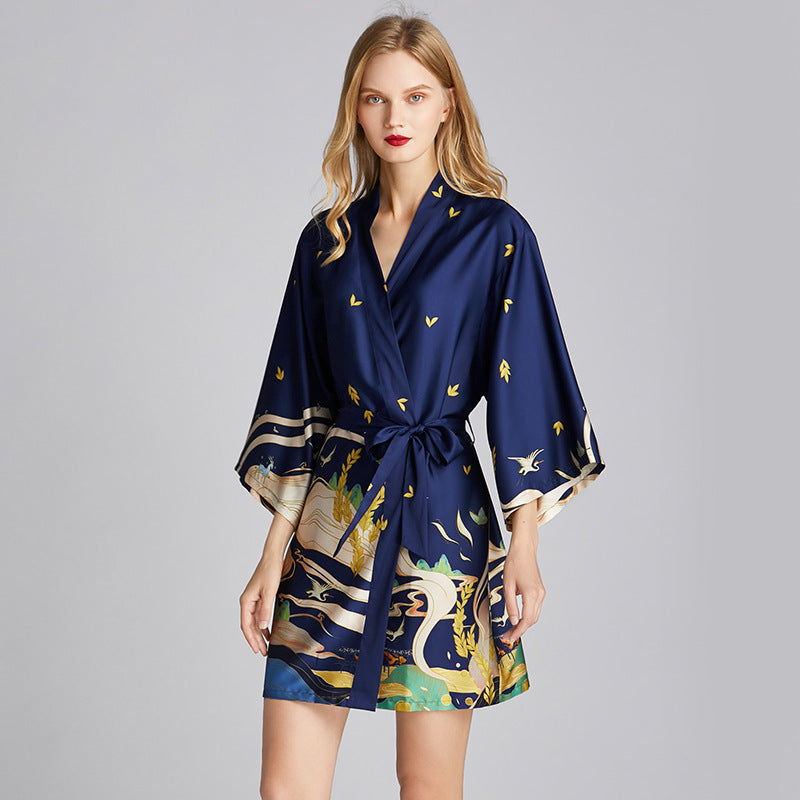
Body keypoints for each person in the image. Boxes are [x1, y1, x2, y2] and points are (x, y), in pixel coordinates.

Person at [234, 12, 605, 800]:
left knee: (427, 784)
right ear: (355, 109)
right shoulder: (326, 242)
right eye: (374, 98)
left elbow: (525, 390)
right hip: (334, 520)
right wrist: (271, 558)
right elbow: (300, 403)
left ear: (447, 105)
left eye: (414, 96)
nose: (394, 117)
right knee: (286, 788)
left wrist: (525, 545)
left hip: (443, 518)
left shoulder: (496, 234)